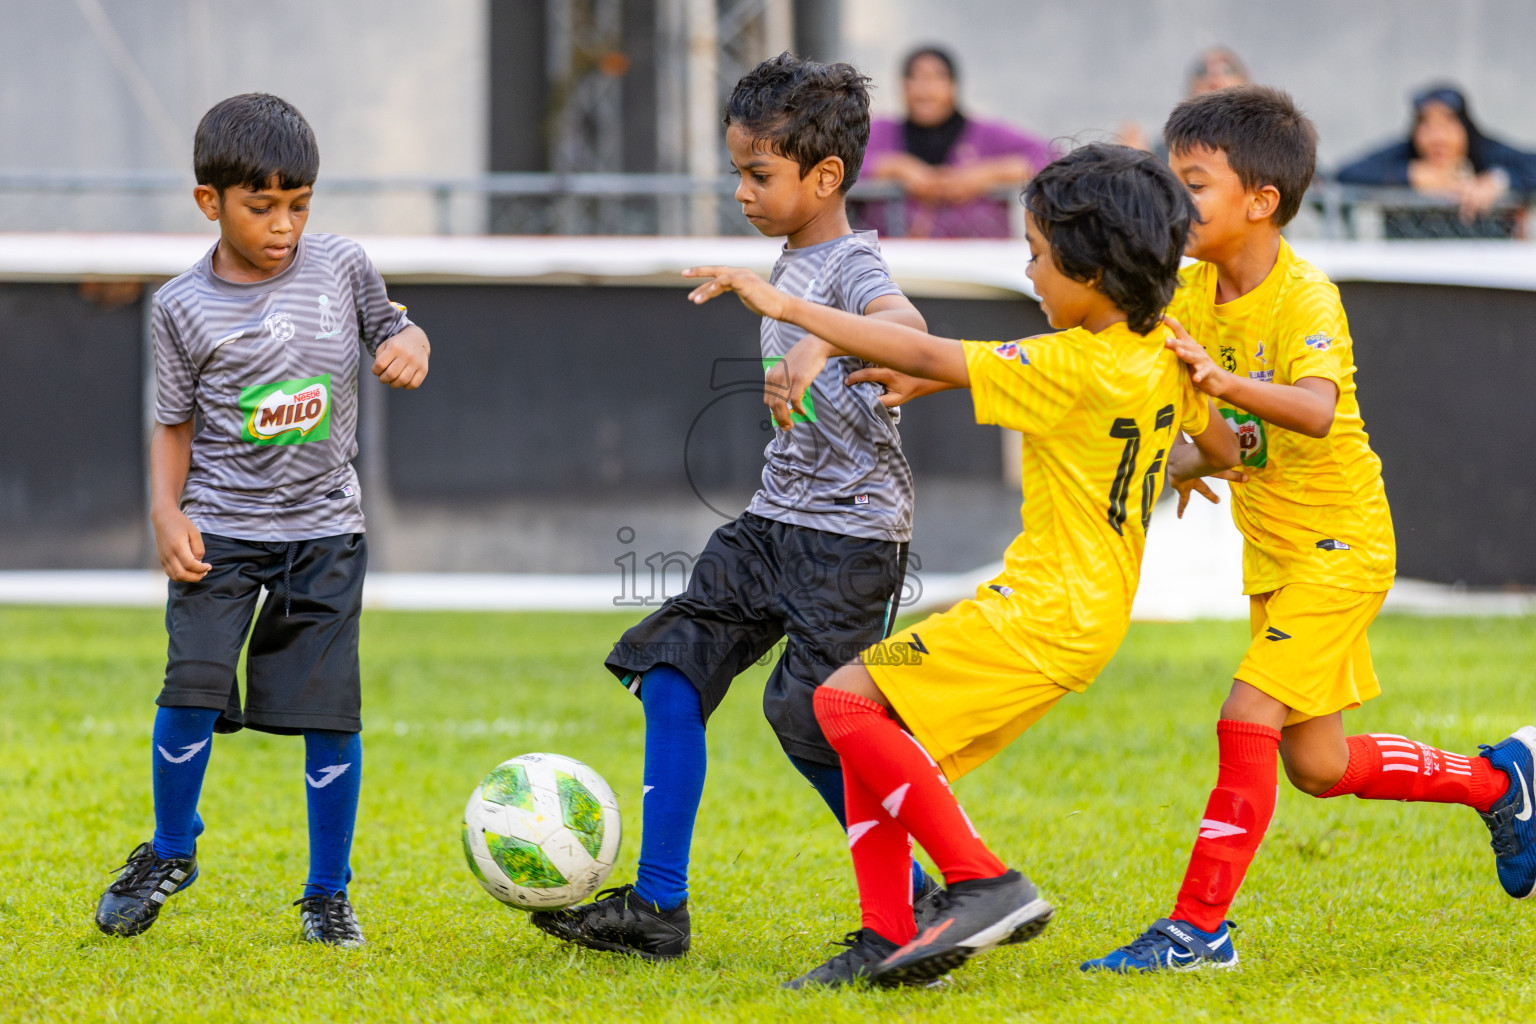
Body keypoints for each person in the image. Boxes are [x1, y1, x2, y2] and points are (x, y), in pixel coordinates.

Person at [684, 142, 1241, 988]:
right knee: (872, 731)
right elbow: (1222, 448)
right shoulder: (1160, 348)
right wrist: (1183, 465)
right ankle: (888, 936)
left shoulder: (1072, 364)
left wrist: (790, 308)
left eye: (1038, 257)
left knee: (840, 702)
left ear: (1092, 270)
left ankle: (983, 882)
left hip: (1042, 610)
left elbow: (935, 351)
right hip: (1083, 617)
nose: (1030, 273)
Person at [1083, 85, 1536, 973]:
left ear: (1260, 202)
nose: (1178, 203)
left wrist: (1217, 385)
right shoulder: (1190, 292)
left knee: (1244, 715)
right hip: (1277, 549)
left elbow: (1316, 411)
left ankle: (1197, 931)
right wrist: (1190, 459)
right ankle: (1500, 783)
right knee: (1318, 764)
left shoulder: (1306, 297)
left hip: (1344, 542)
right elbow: (1226, 440)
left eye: (1195, 184)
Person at [528, 53, 938, 962]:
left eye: (760, 173)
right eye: (737, 173)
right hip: (769, 525)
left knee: (812, 718)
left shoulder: (852, 265)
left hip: (853, 540)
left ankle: (922, 897)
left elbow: (907, 330)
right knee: (671, 668)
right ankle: (658, 909)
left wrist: (820, 345)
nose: (743, 192)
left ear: (825, 177)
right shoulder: (789, 261)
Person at [93, 94, 431, 946]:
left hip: (325, 533)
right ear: (211, 201)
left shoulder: (343, 266)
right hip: (221, 532)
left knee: (328, 714)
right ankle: (172, 850)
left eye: (299, 206)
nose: (284, 226)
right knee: (192, 692)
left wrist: (411, 345)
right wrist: (165, 513)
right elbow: (172, 422)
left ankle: (326, 893)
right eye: (262, 206)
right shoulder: (180, 306)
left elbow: (398, 327)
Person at [861, 46, 1057, 238]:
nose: (924, 89)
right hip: (896, 264)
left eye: (936, 77)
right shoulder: (880, 133)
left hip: (976, 262)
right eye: (914, 77)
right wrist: (893, 167)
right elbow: (835, 162)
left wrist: (987, 175)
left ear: (954, 85)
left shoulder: (988, 134)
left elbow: (1054, 158)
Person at [1336, 84, 1536, 238]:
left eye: (1448, 124)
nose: (1438, 138)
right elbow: (1346, 174)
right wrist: (1409, 174)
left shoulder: (1485, 152)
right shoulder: (1406, 153)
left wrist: (1498, 181)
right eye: (1427, 126)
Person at [1120, 46, 1250, 157]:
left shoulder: (1260, 144)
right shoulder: (1169, 150)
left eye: (1227, 69)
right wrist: (1140, 166)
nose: (1214, 75)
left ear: (1246, 85)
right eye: (1201, 70)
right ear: (1190, 90)